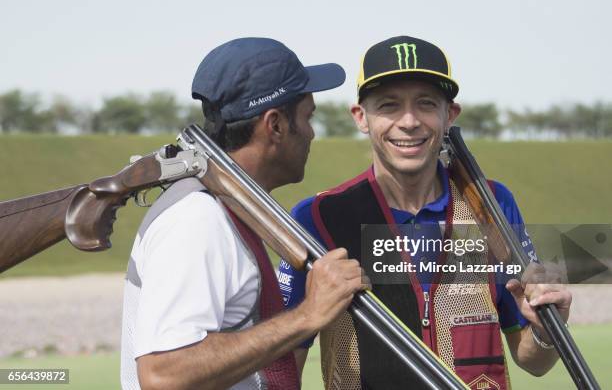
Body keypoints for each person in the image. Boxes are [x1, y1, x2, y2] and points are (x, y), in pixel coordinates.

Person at [278, 35, 572, 389]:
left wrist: (543, 330)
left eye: (426, 104)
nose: (409, 121)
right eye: (388, 105)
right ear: (361, 117)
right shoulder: (319, 217)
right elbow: (284, 366)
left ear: (450, 115)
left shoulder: (492, 204)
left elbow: (532, 361)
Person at [120, 37, 369, 390]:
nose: (313, 133)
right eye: (308, 117)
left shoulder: (219, 207)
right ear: (276, 125)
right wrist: (307, 315)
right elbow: (164, 374)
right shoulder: (198, 218)